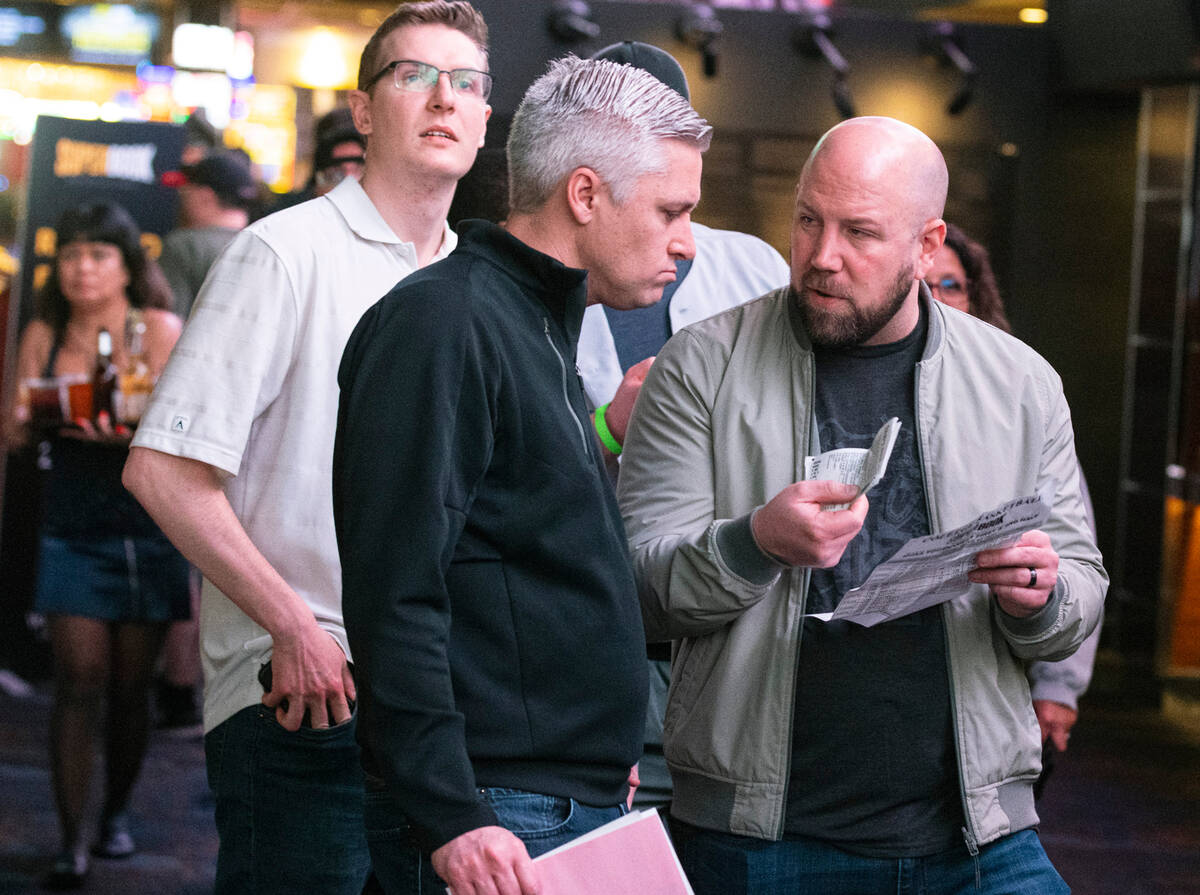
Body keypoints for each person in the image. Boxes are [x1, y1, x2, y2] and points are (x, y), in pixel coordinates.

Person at [617, 116, 1107, 894]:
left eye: (861, 232)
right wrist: (755, 544)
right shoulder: (699, 367)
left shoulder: (1022, 384)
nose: (821, 256)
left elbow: (1080, 585)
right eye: (808, 219)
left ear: (926, 243)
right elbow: (635, 591)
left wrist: (1039, 597)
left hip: (979, 836)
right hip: (762, 838)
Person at [121, 3, 492, 892]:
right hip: (300, 692)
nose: (444, 98)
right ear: (364, 112)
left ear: (485, 118)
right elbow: (163, 470)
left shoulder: (469, 282)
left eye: (467, 83)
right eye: (413, 75)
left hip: (429, 705)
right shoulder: (284, 252)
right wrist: (293, 623)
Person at [332, 55, 711, 895]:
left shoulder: (532, 323)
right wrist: (452, 812)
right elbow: (395, 588)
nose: (685, 241)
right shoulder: (445, 321)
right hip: (495, 813)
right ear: (585, 194)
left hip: (554, 801)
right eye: (671, 210)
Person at [579, 39, 789, 812]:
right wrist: (607, 425)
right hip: (600, 639)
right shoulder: (539, 279)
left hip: (730, 632)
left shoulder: (755, 270)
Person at [11, 201, 188, 889]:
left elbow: (181, 421)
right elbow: (16, 428)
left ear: (127, 265)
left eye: (99, 254)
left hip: (148, 521)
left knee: (129, 685)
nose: (83, 268)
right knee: (78, 679)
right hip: (73, 519)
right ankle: (69, 836)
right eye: (72, 254)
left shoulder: (158, 328)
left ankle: (115, 812)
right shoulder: (44, 331)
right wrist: (53, 411)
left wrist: (124, 424)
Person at [926, 223, 1103, 782]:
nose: (936, 299)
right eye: (921, 284)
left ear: (976, 297)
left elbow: (1073, 551)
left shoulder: (1019, 394)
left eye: (950, 284)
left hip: (999, 684)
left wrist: (1059, 686)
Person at [158, 151, 259, 320]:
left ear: (205, 196)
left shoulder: (184, 245)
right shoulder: (266, 246)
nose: (183, 194)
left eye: (188, 188)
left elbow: (171, 320)